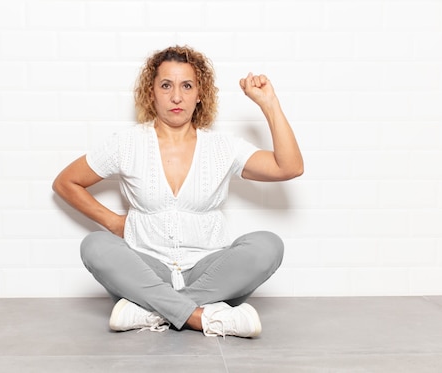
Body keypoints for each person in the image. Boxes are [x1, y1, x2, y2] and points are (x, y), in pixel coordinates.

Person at [52, 45, 303, 338]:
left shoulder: (223, 147)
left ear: (200, 95)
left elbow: (289, 167)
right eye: (166, 85)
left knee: (268, 245)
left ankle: (152, 312)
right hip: (146, 270)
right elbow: (65, 182)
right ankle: (206, 316)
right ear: (151, 93)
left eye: (187, 86)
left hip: (209, 272)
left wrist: (269, 104)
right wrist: (113, 222)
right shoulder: (127, 144)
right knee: (95, 246)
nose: (176, 97)